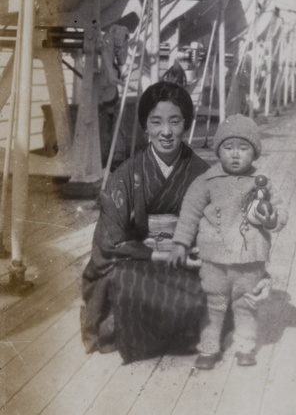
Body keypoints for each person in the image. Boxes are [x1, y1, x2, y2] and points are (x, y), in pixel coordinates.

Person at [81, 82, 270, 363]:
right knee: (126, 281)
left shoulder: (206, 174)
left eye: (175, 121)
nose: (166, 132)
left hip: (190, 265)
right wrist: (159, 254)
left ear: (187, 124)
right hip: (140, 263)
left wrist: (258, 273)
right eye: (156, 122)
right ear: (145, 126)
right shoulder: (126, 175)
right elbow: (111, 242)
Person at [169, 114, 285, 370]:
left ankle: (245, 347)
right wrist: (180, 242)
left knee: (246, 306)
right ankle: (209, 349)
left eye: (243, 148)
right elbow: (190, 213)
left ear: (254, 153)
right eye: (228, 148)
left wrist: (270, 217)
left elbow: (279, 216)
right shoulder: (207, 181)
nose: (235, 155)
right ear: (218, 150)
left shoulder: (261, 184)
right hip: (215, 262)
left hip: (248, 261)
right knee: (215, 305)